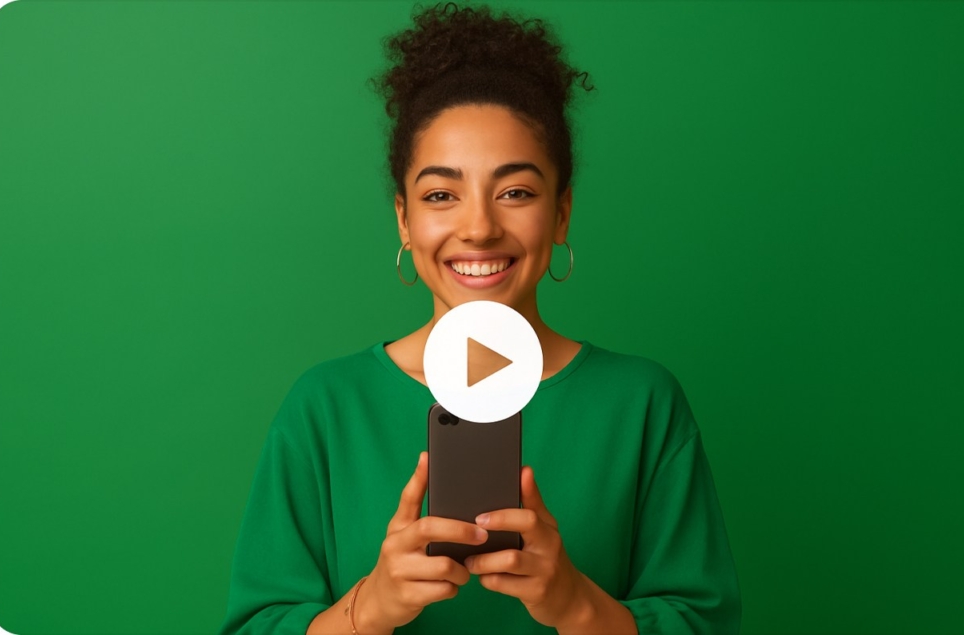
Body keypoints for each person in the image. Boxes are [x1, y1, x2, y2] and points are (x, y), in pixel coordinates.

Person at [218, 3, 741, 634]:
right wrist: (372, 606)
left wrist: (575, 603)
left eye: (515, 191)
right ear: (405, 221)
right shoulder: (326, 408)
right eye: (441, 195)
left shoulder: (642, 405)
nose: (479, 227)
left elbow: (703, 622)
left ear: (562, 213)